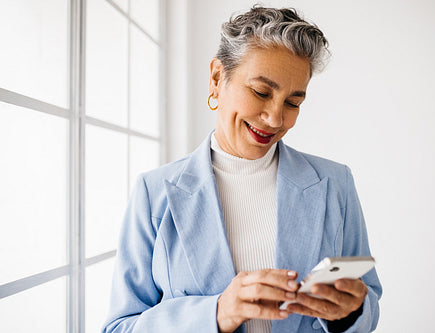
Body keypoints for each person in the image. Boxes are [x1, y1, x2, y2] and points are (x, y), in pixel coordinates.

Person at [102, 6, 382, 333]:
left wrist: (352, 310)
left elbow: (369, 301)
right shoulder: (155, 194)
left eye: (293, 102)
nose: (276, 119)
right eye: (261, 92)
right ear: (217, 78)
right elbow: (119, 327)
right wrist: (216, 313)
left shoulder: (336, 184)